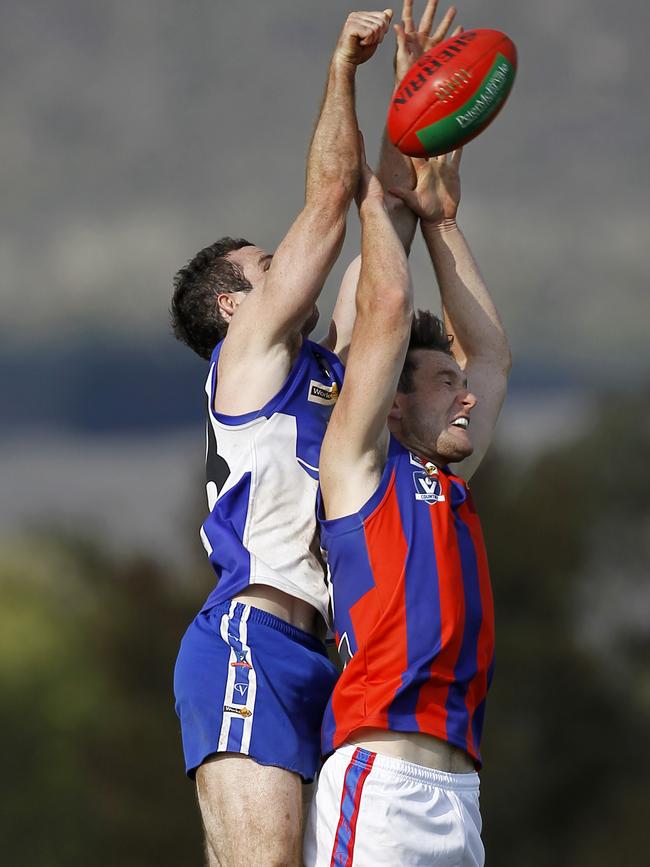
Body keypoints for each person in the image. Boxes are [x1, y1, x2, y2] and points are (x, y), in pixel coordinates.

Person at [170, 10, 393, 867]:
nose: (285, 272)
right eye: (266, 266)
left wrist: (418, 121)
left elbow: (381, 255)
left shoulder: (321, 368)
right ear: (234, 304)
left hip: (321, 656)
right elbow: (331, 203)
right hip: (252, 638)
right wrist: (344, 68)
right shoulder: (250, 350)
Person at [303, 37, 512, 867]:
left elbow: (491, 356)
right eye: (439, 381)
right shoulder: (361, 463)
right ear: (390, 404)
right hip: (378, 782)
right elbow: (387, 308)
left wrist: (445, 220)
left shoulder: (448, 481)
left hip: (460, 796)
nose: (466, 394)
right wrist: (389, 178)